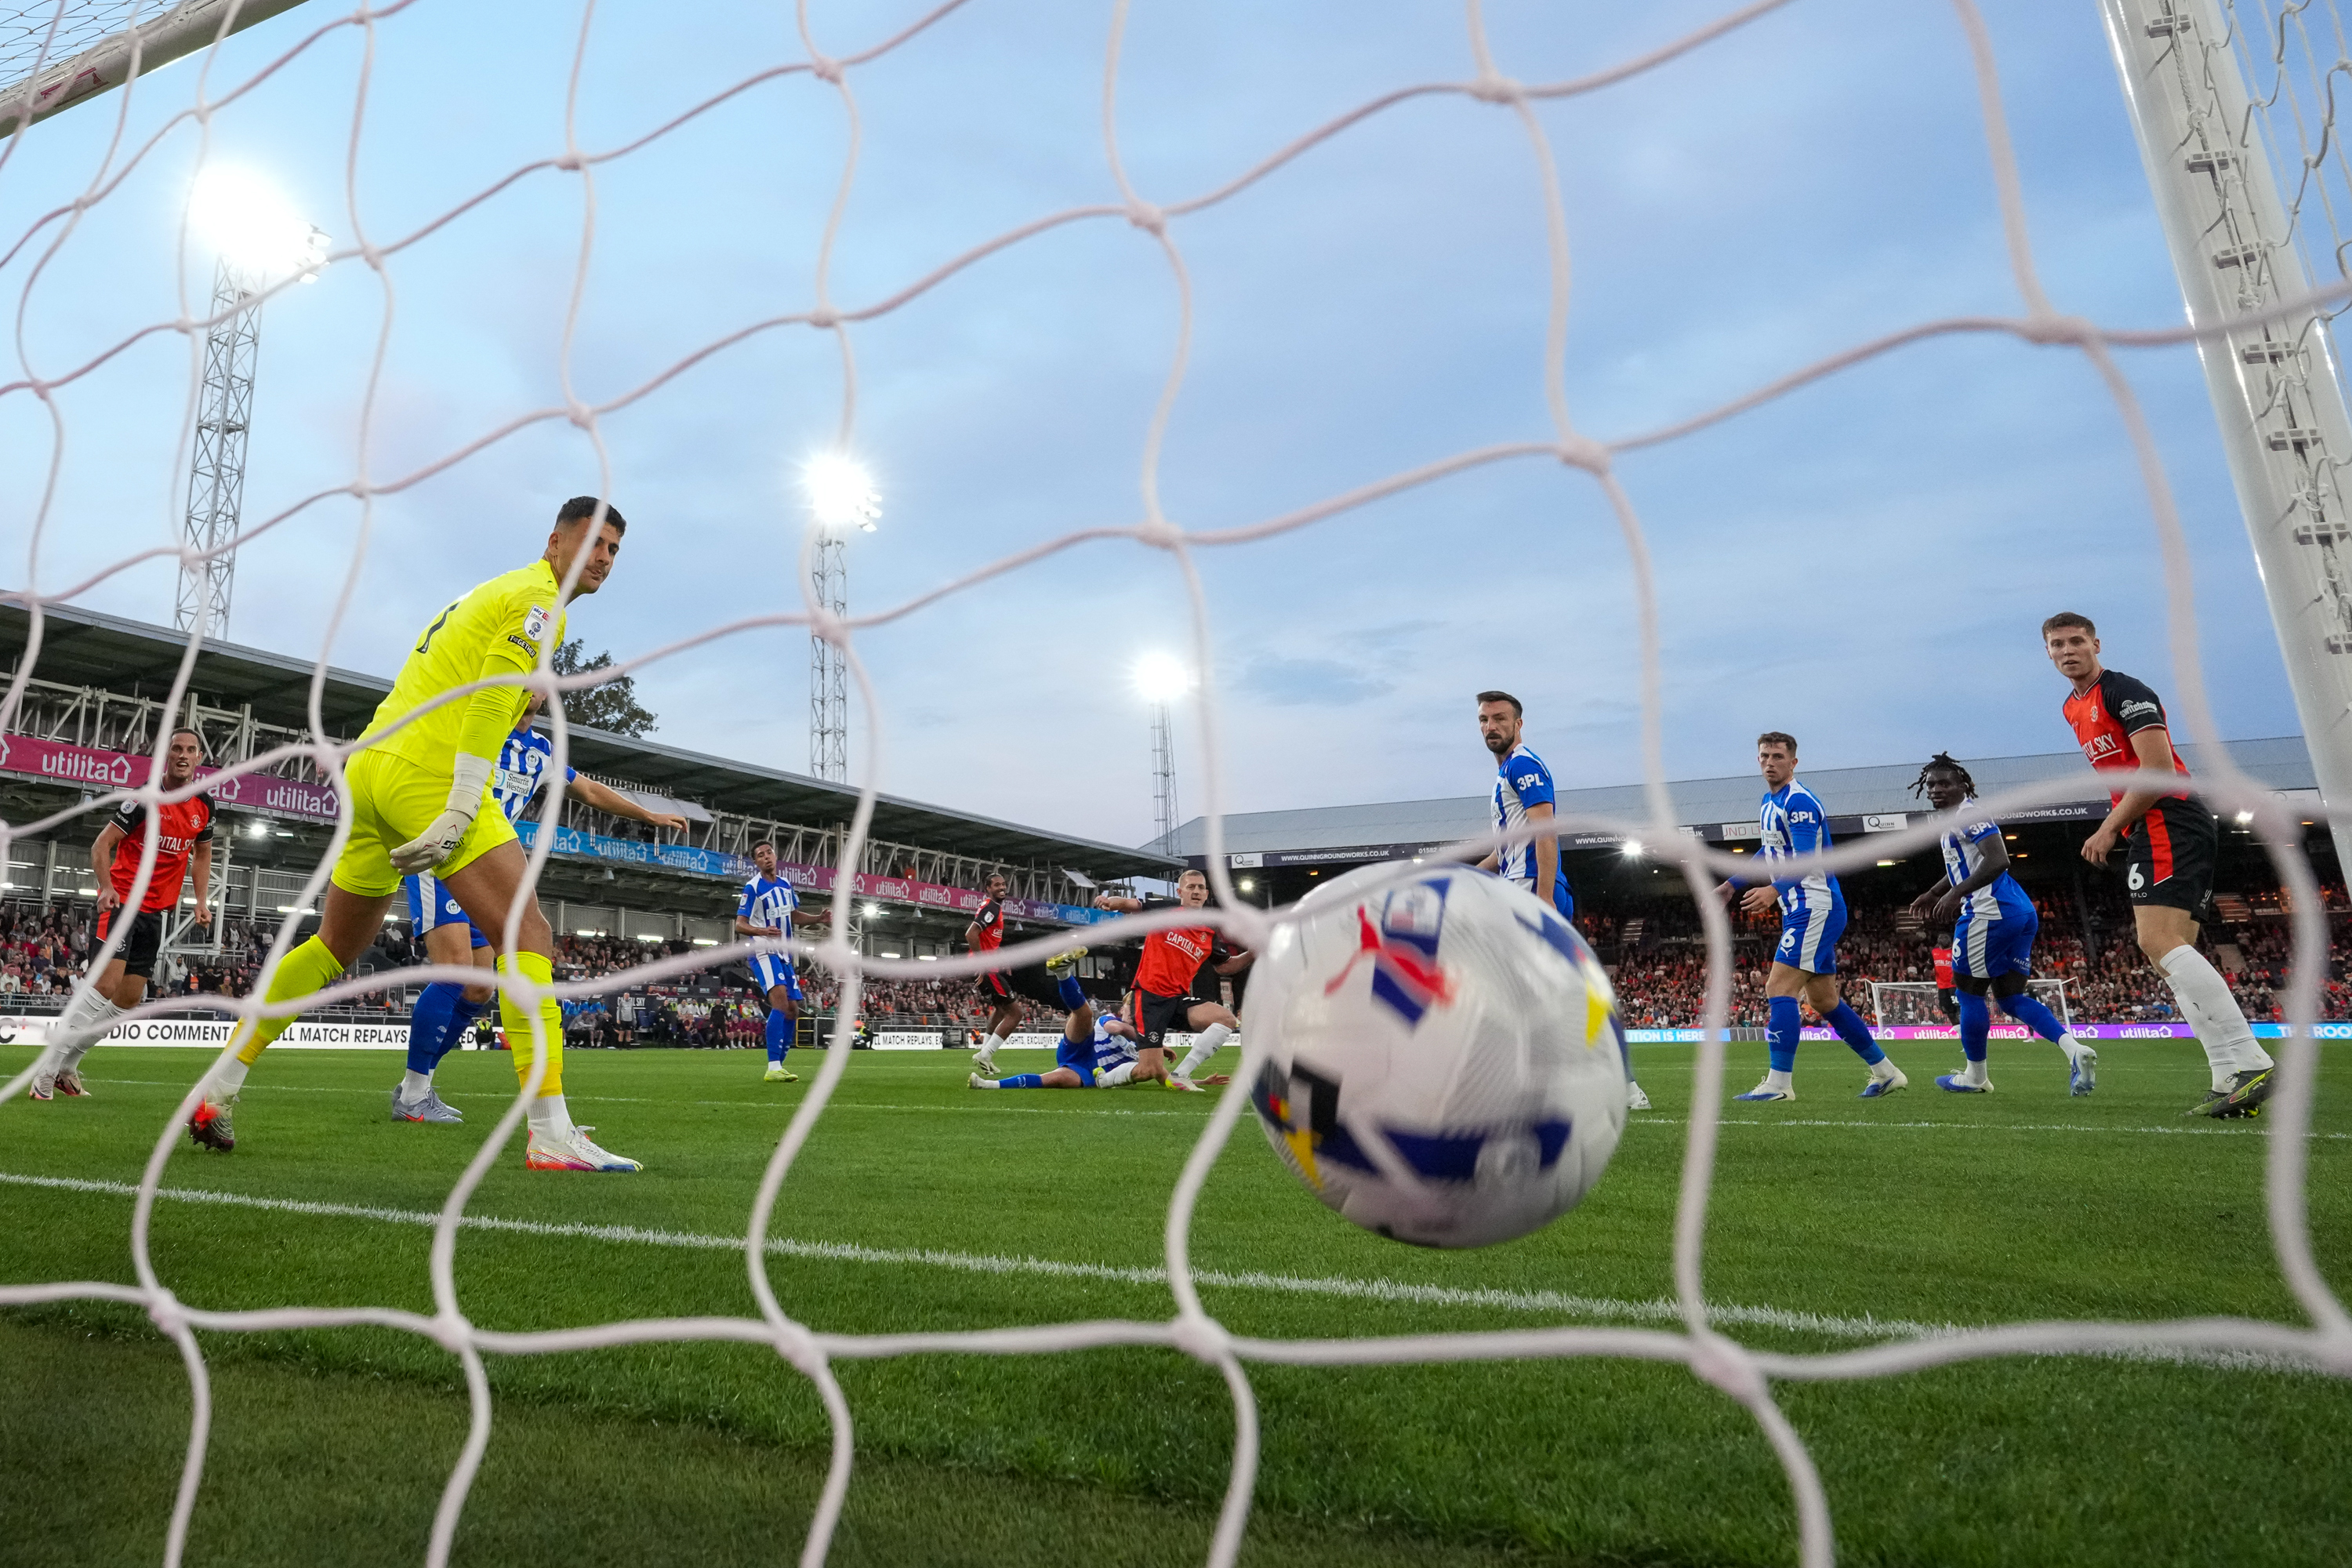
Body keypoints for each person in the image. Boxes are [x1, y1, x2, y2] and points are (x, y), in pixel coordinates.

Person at [186, 496, 644, 1171]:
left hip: (373, 769)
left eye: (614, 550)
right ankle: (550, 1132)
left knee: (333, 947)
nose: (604, 558)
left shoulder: (493, 594)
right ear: (556, 541)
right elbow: (491, 696)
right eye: (595, 543)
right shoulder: (540, 598)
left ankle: (217, 1087)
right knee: (530, 937)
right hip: (429, 776)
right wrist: (463, 797)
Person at [388, 691, 691, 1123]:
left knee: (479, 988)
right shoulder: (476, 725)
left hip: (486, 866)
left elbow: (587, 789)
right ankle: (414, 1095)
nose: (534, 688)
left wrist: (648, 815)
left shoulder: (543, 751)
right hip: (445, 854)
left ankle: (418, 1086)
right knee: (455, 971)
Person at [2044, 612, 2273, 1116]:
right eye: (2057, 644)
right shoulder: (2071, 706)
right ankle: (2228, 1078)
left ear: (2096, 643)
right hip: (2153, 822)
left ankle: (2251, 1058)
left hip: (2169, 815)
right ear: (2048, 653)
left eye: (2076, 640)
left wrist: (2108, 826)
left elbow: (2159, 769)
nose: (2067, 651)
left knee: (2155, 940)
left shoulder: (2124, 691)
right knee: (2169, 954)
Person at [1472, 690, 1650, 1110]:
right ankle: (1615, 1086)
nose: (1490, 726)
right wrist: (1461, 875)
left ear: (1519, 724)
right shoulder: (1506, 775)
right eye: (1483, 720)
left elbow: (1546, 833)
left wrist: (1545, 897)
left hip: (1532, 890)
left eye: (1499, 718)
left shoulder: (1524, 765)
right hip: (1522, 888)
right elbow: (1505, 852)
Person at [1719, 731, 1906, 1102]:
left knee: (1779, 988)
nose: (1769, 762)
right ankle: (1886, 1073)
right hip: (1802, 908)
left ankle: (1778, 1084)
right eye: (1763, 756)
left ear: (1793, 762)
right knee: (1824, 1001)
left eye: (1777, 756)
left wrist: (1774, 890)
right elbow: (1772, 851)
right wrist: (1731, 884)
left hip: (1814, 907)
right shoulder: (1769, 801)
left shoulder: (1800, 802)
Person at [28, 728, 213, 1100]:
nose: (182, 754)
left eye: (190, 750)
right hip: (123, 904)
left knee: (130, 998)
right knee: (105, 987)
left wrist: (202, 900)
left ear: (198, 759)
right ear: (166, 755)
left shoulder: (204, 805)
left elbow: (203, 855)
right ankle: (45, 1072)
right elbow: (102, 845)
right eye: (176, 748)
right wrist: (106, 887)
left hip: (156, 912)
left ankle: (68, 1068)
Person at [1905, 752, 2097, 1096]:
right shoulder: (1954, 821)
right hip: (2017, 912)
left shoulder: (1971, 815)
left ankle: (1975, 1078)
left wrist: (1954, 896)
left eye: (1944, 783)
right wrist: (1935, 892)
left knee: (1968, 994)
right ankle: (2075, 1050)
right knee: (2009, 997)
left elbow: (1998, 859)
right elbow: (1964, 864)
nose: (1935, 789)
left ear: (1963, 785)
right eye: (1931, 784)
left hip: (1988, 913)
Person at [1093, 868, 1253, 1090]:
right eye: (1191, 887)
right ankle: (1104, 1080)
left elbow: (1225, 966)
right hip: (1150, 998)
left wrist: (1252, 953)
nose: (1196, 891)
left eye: (1200, 888)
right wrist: (1110, 902)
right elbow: (1132, 904)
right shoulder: (1165, 910)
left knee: (1226, 1019)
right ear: (1180, 891)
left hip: (1178, 999)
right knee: (1148, 1071)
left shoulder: (1209, 931)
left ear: (1206, 894)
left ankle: (1181, 1074)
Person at [965, 870, 1095, 1076]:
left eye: (1003, 884)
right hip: (984, 968)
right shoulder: (990, 907)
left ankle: (984, 1054)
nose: (1001, 888)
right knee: (1016, 1013)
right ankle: (985, 1055)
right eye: (996, 885)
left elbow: (986, 939)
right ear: (988, 888)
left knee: (1000, 1010)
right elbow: (971, 933)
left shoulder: (993, 907)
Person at [735, 841, 830, 1083]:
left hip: (785, 954)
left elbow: (794, 916)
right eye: (760, 855)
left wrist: (819, 918)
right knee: (779, 1003)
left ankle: (780, 1065)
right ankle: (773, 1067)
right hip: (764, 951)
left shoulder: (786, 885)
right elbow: (739, 924)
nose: (766, 857)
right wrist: (762, 931)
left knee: (793, 1010)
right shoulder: (753, 887)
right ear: (755, 862)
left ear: (776, 856)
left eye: (769, 852)